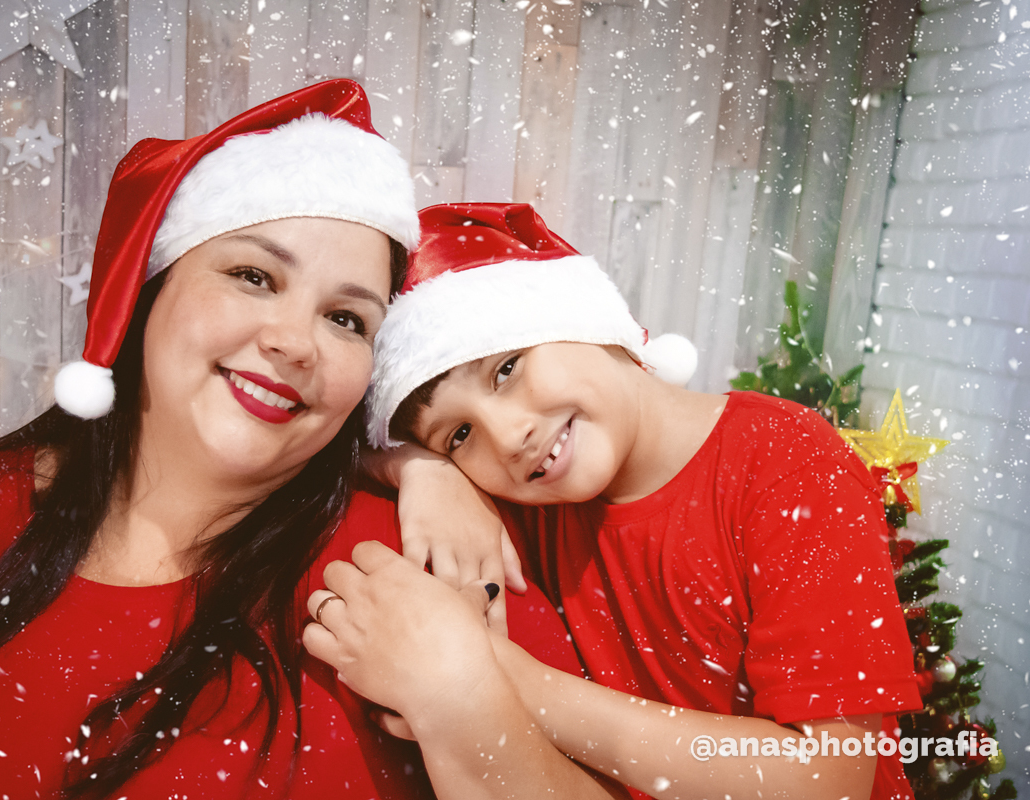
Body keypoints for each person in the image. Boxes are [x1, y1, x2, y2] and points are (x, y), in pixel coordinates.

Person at [0, 85, 578, 800]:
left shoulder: (425, 565)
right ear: (149, 291)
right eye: (253, 276)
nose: (295, 343)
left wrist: (464, 702)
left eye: (347, 320)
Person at [303, 203, 923, 800]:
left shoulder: (786, 461)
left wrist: (500, 680)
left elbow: (826, 779)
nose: (508, 435)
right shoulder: (539, 495)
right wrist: (423, 469)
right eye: (460, 434)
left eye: (506, 369)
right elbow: (312, 441)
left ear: (584, 318)